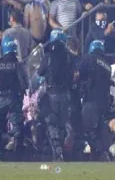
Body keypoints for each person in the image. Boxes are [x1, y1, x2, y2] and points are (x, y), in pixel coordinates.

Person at [38, 29, 74, 161]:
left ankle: (58, 154)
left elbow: (39, 72)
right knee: (64, 121)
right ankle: (69, 139)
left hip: (52, 93)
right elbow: (73, 75)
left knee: (52, 124)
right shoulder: (68, 56)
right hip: (65, 94)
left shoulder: (47, 56)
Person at [0, 36, 28, 158]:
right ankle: (18, 152)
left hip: (1, 97)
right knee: (17, 123)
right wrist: (23, 92)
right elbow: (24, 82)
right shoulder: (17, 63)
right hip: (14, 97)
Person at [78, 40, 112, 161]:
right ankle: (99, 155)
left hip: (90, 100)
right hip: (103, 103)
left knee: (87, 130)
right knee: (98, 130)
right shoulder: (107, 65)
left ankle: (102, 153)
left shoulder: (89, 58)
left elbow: (78, 74)